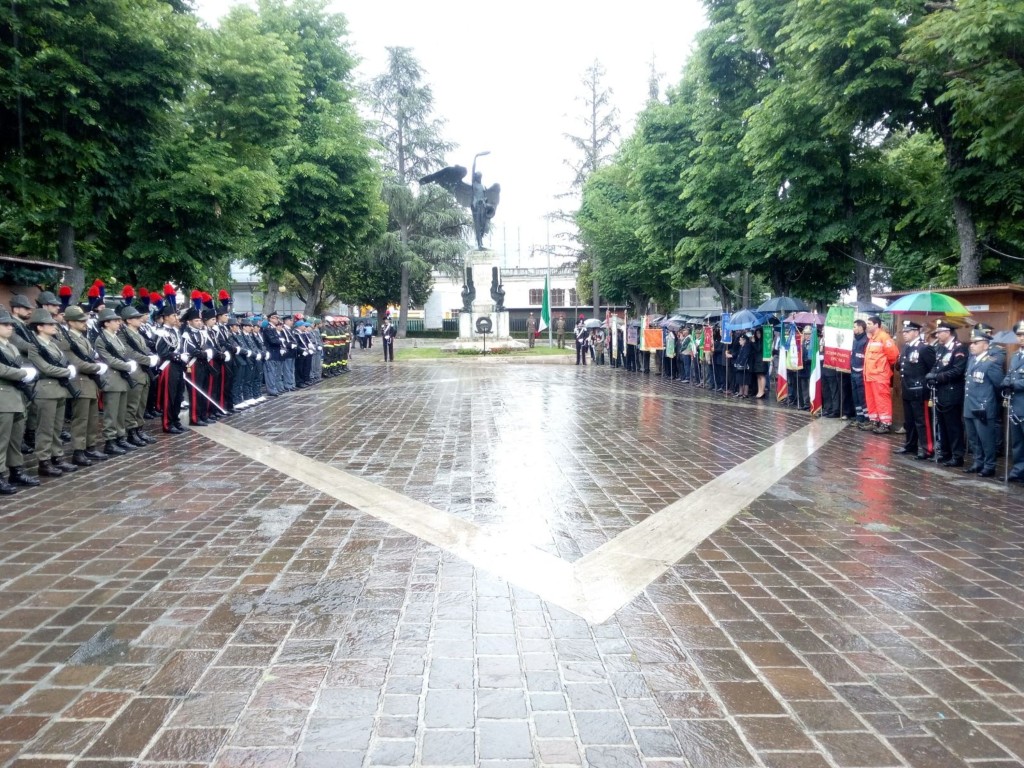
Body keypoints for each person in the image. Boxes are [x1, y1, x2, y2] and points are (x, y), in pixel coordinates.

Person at [24, 308, 78, 477]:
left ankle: (57, 457)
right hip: (46, 390)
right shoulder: (35, 346)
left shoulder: (53, 344)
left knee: (56, 427)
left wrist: (68, 368)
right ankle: (44, 461)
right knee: (45, 428)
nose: (55, 326)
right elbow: (45, 368)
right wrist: (67, 372)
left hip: (59, 389)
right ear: (40, 327)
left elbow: (62, 362)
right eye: (50, 324)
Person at [63, 305, 111, 465]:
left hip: (90, 383)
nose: (84, 322)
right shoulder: (67, 339)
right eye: (80, 320)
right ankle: (78, 451)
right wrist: (97, 367)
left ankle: (90, 447)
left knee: (92, 418)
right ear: (70, 322)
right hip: (79, 382)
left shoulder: (83, 338)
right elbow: (77, 363)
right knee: (81, 419)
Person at [0, 309, 40, 492]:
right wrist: (24, 373)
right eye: (5, 325)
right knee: (2, 440)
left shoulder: (11, 346)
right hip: (3, 397)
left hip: (16, 396)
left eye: (10, 324)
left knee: (15, 439)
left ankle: (16, 470)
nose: (10, 328)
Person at [94, 308, 139, 453]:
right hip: (111, 379)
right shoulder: (101, 340)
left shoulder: (115, 337)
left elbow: (124, 354)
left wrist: (129, 363)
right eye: (115, 321)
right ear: (106, 323)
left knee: (120, 412)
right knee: (111, 414)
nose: (118, 323)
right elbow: (109, 359)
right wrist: (127, 366)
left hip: (122, 379)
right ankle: (110, 441)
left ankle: (121, 437)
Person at [926, 319, 968, 467]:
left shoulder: (959, 348)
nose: (937, 335)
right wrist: (931, 375)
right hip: (940, 391)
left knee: (953, 425)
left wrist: (937, 377)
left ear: (947, 332)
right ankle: (945, 453)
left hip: (952, 391)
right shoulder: (941, 348)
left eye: (939, 332)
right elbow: (936, 366)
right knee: (942, 424)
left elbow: (958, 371)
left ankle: (957, 456)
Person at [963, 326, 1003, 477]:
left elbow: (998, 385)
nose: (971, 345)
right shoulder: (972, 360)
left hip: (983, 406)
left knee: (986, 439)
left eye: (976, 342)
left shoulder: (991, 362)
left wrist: (990, 404)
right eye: (971, 342)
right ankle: (978, 462)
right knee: (973, 439)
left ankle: (989, 465)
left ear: (985, 345)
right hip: (970, 404)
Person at [895, 320, 937, 459]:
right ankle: (910, 445)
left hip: (919, 389)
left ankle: (928, 449)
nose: (905, 334)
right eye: (904, 332)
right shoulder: (906, 347)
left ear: (916, 332)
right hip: (907, 388)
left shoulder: (924, 348)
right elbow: (901, 365)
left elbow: (932, 368)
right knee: (910, 421)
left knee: (922, 421)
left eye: (908, 331)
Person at [863, 315, 899, 434]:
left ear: (876, 325)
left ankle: (885, 423)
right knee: (871, 399)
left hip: (879, 375)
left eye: (869, 324)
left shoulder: (884, 337)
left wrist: (882, 368)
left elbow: (893, 356)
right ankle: (874, 421)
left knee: (882, 399)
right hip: (870, 375)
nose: (867, 326)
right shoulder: (872, 338)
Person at [1000, 320, 1024, 482]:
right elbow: (1010, 374)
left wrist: (1014, 384)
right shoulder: (1016, 356)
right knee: (1017, 441)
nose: (1021, 337)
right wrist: (1005, 383)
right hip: (1016, 404)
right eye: (1019, 334)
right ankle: (1018, 470)